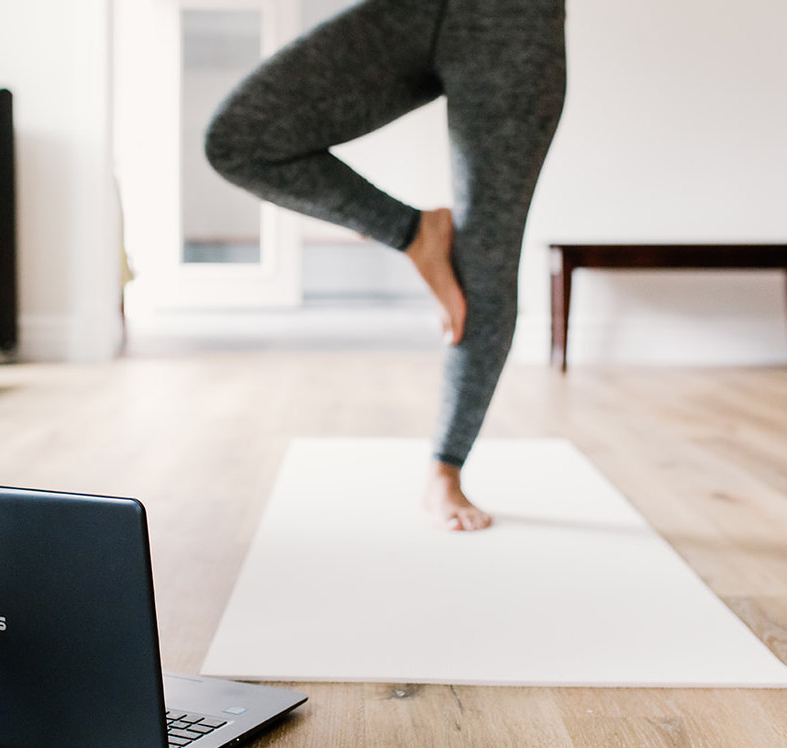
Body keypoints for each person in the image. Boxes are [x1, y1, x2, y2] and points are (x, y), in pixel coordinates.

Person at [205, 0, 568, 531]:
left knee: (487, 257)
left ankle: (446, 466)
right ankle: (415, 231)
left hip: (515, 16)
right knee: (239, 137)